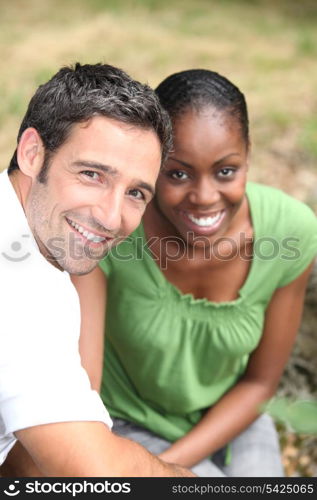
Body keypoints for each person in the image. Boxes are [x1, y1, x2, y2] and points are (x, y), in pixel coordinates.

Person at [98, 69, 317, 477]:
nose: (203, 197)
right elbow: (80, 388)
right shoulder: (115, 228)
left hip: (236, 415)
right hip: (127, 421)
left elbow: (259, 383)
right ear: (152, 160)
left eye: (226, 171)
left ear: (248, 154)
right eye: (178, 173)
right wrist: (152, 472)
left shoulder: (291, 231)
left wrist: (167, 466)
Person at [0, 62, 195, 477]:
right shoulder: (17, 286)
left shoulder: (34, 244)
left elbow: (37, 450)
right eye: (92, 174)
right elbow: (95, 473)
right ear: (32, 153)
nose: (111, 217)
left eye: (136, 193)